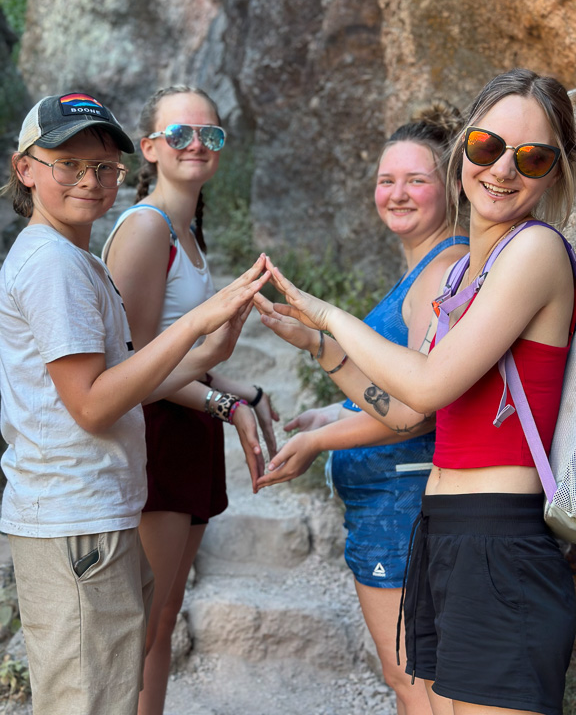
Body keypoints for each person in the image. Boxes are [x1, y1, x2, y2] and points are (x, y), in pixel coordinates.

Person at [257, 68, 576, 715]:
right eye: (487, 147)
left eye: (533, 157)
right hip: (448, 533)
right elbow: (405, 407)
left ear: (556, 174)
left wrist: (327, 315)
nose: (503, 170)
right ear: (463, 151)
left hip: (501, 536)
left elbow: (427, 385)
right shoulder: (465, 275)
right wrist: (317, 346)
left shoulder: (536, 251)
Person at [0, 91, 269, 715]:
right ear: (25, 169)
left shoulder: (75, 259)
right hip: (75, 523)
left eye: (102, 167)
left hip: (97, 515)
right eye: (68, 163)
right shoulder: (52, 265)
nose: (89, 180)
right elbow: (93, 407)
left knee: (113, 693)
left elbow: (127, 380)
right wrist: (196, 320)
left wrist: (212, 348)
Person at [255, 102, 469, 715]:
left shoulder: (443, 269)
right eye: (386, 180)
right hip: (388, 507)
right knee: (411, 677)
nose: (396, 193)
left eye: (416, 180)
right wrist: (336, 404)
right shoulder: (422, 269)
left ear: (451, 186)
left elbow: (421, 409)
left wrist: (319, 443)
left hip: (404, 507)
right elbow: (397, 389)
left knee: (416, 682)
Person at [102, 84, 279, 715]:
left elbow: (184, 357)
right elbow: (134, 363)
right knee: (146, 621)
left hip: (186, 428)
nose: (197, 144)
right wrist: (225, 407)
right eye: (179, 134)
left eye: (210, 134)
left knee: (166, 612)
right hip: (153, 433)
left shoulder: (186, 231)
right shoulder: (147, 229)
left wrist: (246, 392)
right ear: (149, 148)